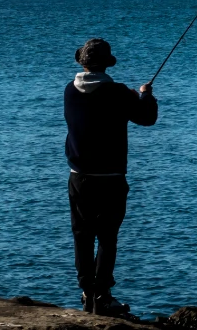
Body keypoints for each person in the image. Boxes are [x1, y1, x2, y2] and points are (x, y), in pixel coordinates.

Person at [64, 38, 158, 316]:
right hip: (110, 177)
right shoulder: (117, 93)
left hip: (78, 176)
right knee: (107, 238)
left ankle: (87, 292)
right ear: (106, 63)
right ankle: (102, 296)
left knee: (82, 236)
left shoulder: (70, 90)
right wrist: (144, 95)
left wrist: (129, 97)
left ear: (82, 62)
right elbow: (147, 118)